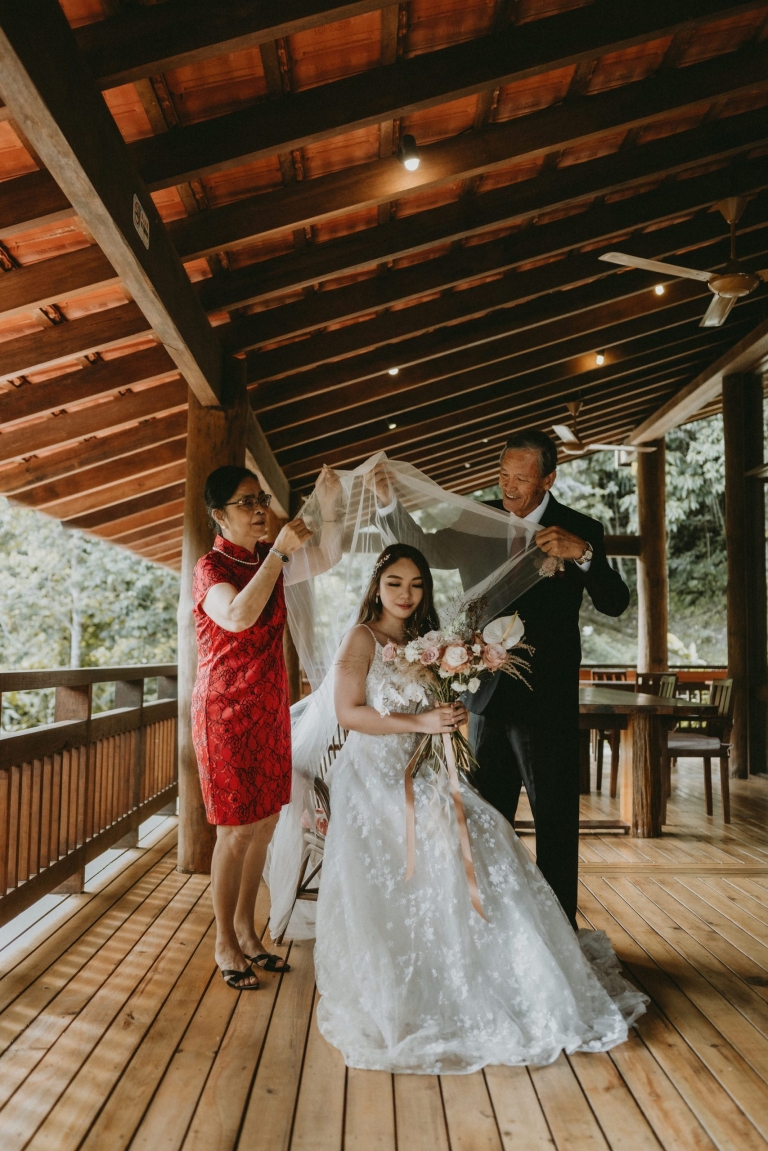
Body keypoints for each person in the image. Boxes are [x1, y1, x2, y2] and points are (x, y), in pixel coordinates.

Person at [314, 543, 646, 1073]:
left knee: (483, 830)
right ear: (376, 586)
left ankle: (505, 969)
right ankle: (415, 976)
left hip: (425, 766)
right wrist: (419, 723)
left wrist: (446, 711)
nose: (406, 594)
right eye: (395, 583)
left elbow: (438, 703)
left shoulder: (427, 641)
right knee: (429, 852)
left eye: (417, 584)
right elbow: (348, 713)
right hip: (376, 776)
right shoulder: (362, 638)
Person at [375, 431, 630, 928]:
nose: (509, 488)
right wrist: (388, 502)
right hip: (484, 700)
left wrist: (583, 556)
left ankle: (559, 935)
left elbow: (616, 603)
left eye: (521, 478)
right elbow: (420, 546)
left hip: (548, 702)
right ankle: (488, 930)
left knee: (555, 823)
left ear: (549, 478)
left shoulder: (582, 528)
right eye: (503, 476)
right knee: (484, 822)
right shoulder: (478, 518)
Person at [191, 463, 338, 990]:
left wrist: (331, 504)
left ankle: (248, 931)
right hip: (225, 714)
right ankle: (224, 942)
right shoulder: (212, 567)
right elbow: (236, 617)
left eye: (262, 499)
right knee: (233, 832)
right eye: (246, 502)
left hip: (270, 709)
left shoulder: (264, 560)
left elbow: (327, 556)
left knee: (265, 826)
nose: (259, 510)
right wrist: (277, 552)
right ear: (219, 514)